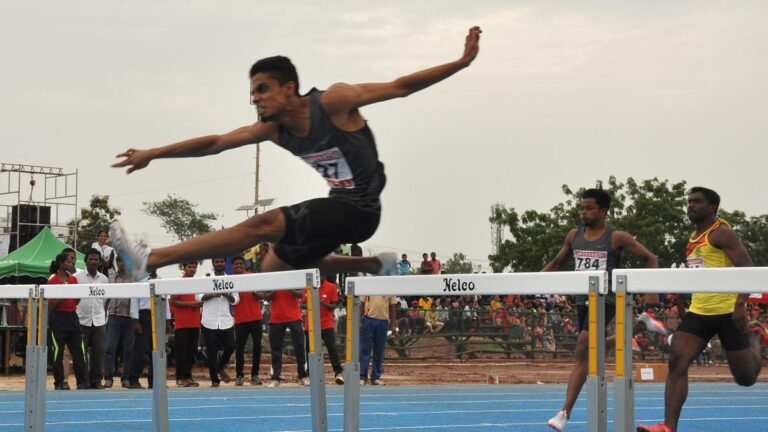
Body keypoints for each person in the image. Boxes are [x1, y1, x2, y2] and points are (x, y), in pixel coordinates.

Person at [108, 27, 483, 283]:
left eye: (263, 89)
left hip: (362, 209)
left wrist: (461, 62)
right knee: (272, 270)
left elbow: (400, 87)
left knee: (263, 224)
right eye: (252, 92)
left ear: (290, 88)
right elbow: (215, 143)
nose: (255, 98)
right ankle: (372, 264)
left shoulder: (335, 102)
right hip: (338, 207)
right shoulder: (272, 129)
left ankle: (151, 260)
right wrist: (154, 153)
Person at [637, 187, 765, 432]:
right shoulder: (693, 238)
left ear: (712, 207)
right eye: (689, 201)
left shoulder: (722, 233)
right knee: (677, 361)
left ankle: (756, 336)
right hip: (700, 311)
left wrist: (740, 304)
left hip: (726, 311)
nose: (690, 205)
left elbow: (747, 267)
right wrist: (683, 305)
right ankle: (668, 427)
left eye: (697, 201)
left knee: (746, 379)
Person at [544, 188, 664, 431]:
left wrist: (652, 300)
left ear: (603, 211)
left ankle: (564, 412)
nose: (584, 212)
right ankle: (640, 325)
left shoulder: (616, 237)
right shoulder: (573, 235)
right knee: (592, 350)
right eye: (582, 207)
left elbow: (650, 258)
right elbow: (557, 263)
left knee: (582, 349)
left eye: (589, 208)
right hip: (581, 299)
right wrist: (531, 284)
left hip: (605, 299)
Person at [48, 252, 88, 390]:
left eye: (72, 262)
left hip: (72, 316)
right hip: (58, 318)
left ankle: (82, 382)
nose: (71, 264)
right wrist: (63, 293)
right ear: (61, 263)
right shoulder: (53, 280)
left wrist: (71, 299)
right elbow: (51, 304)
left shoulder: (73, 280)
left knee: (78, 352)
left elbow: (77, 298)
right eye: (69, 262)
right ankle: (59, 382)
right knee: (58, 352)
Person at [197, 258, 239, 387]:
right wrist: (213, 294)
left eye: (221, 261)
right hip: (209, 320)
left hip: (225, 320)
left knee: (231, 346)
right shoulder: (205, 278)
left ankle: (220, 367)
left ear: (224, 263)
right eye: (217, 262)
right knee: (211, 351)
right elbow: (198, 297)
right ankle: (214, 380)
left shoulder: (230, 279)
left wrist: (226, 294)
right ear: (213, 263)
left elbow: (236, 300)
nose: (219, 263)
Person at [302, 274, 345, 385]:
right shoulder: (308, 287)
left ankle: (338, 372)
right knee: (310, 350)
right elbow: (302, 303)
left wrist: (322, 303)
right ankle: (310, 374)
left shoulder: (331, 287)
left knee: (331, 348)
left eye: (320, 275)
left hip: (326, 324)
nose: (318, 277)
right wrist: (311, 304)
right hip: (311, 325)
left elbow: (333, 306)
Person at [75, 248, 109, 389]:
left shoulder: (104, 279)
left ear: (99, 262)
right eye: (91, 259)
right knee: (81, 355)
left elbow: (106, 300)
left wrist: (104, 316)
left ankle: (96, 381)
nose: (93, 262)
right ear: (85, 261)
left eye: (96, 259)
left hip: (99, 320)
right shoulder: (77, 277)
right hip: (81, 320)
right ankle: (82, 382)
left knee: (98, 354)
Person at [263, 286, 308, 388]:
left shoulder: (293, 276)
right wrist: (276, 289)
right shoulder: (273, 278)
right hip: (276, 317)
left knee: (300, 347)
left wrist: (289, 288)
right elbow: (266, 297)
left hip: (294, 316)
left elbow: (301, 294)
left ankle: (303, 376)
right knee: (276, 349)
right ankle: (275, 378)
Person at [231, 255, 265, 386]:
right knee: (239, 349)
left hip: (256, 318)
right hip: (240, 320)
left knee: (257, 347)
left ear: (244, 265)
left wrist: (256, 294)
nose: (238, 266)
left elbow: (262, 295)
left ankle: (255, 375)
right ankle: (239, 376)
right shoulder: (229, 280)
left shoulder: (251, 276)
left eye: (240, 264)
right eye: (236, 264)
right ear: (232, 266)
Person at [170, 262, 202, 388]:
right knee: (181, 352)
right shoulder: (179, 283)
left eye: (194, 267)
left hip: (195, 323)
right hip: (182, 324)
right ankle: (180, 377)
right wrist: (190, 305)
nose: (192, 269)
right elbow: (172, 301)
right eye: (189, 267)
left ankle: (188, 376)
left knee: (191, 351)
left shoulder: (197, 284)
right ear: (184, 268)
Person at [104, 256, 134, 388]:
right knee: (110, 348)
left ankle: (125, 378)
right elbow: (106, 298)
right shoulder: (110, 278)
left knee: (129, 350)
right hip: (113, 316)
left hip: (130, 317)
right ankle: (108, 378)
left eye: (124, 261)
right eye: (119, 261)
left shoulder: (134, 279)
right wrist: (104, 315)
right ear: (117, 263)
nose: (122, 263)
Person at [359, 295, 397, 385]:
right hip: (368, 319)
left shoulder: (389, 287)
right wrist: (360, 320)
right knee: (364, 349)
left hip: (383, 321)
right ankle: (362, 376)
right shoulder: (368, 283)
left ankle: (375, 376)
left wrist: (393, 324)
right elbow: (362, 303)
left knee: (379, 350)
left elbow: (392, 306)